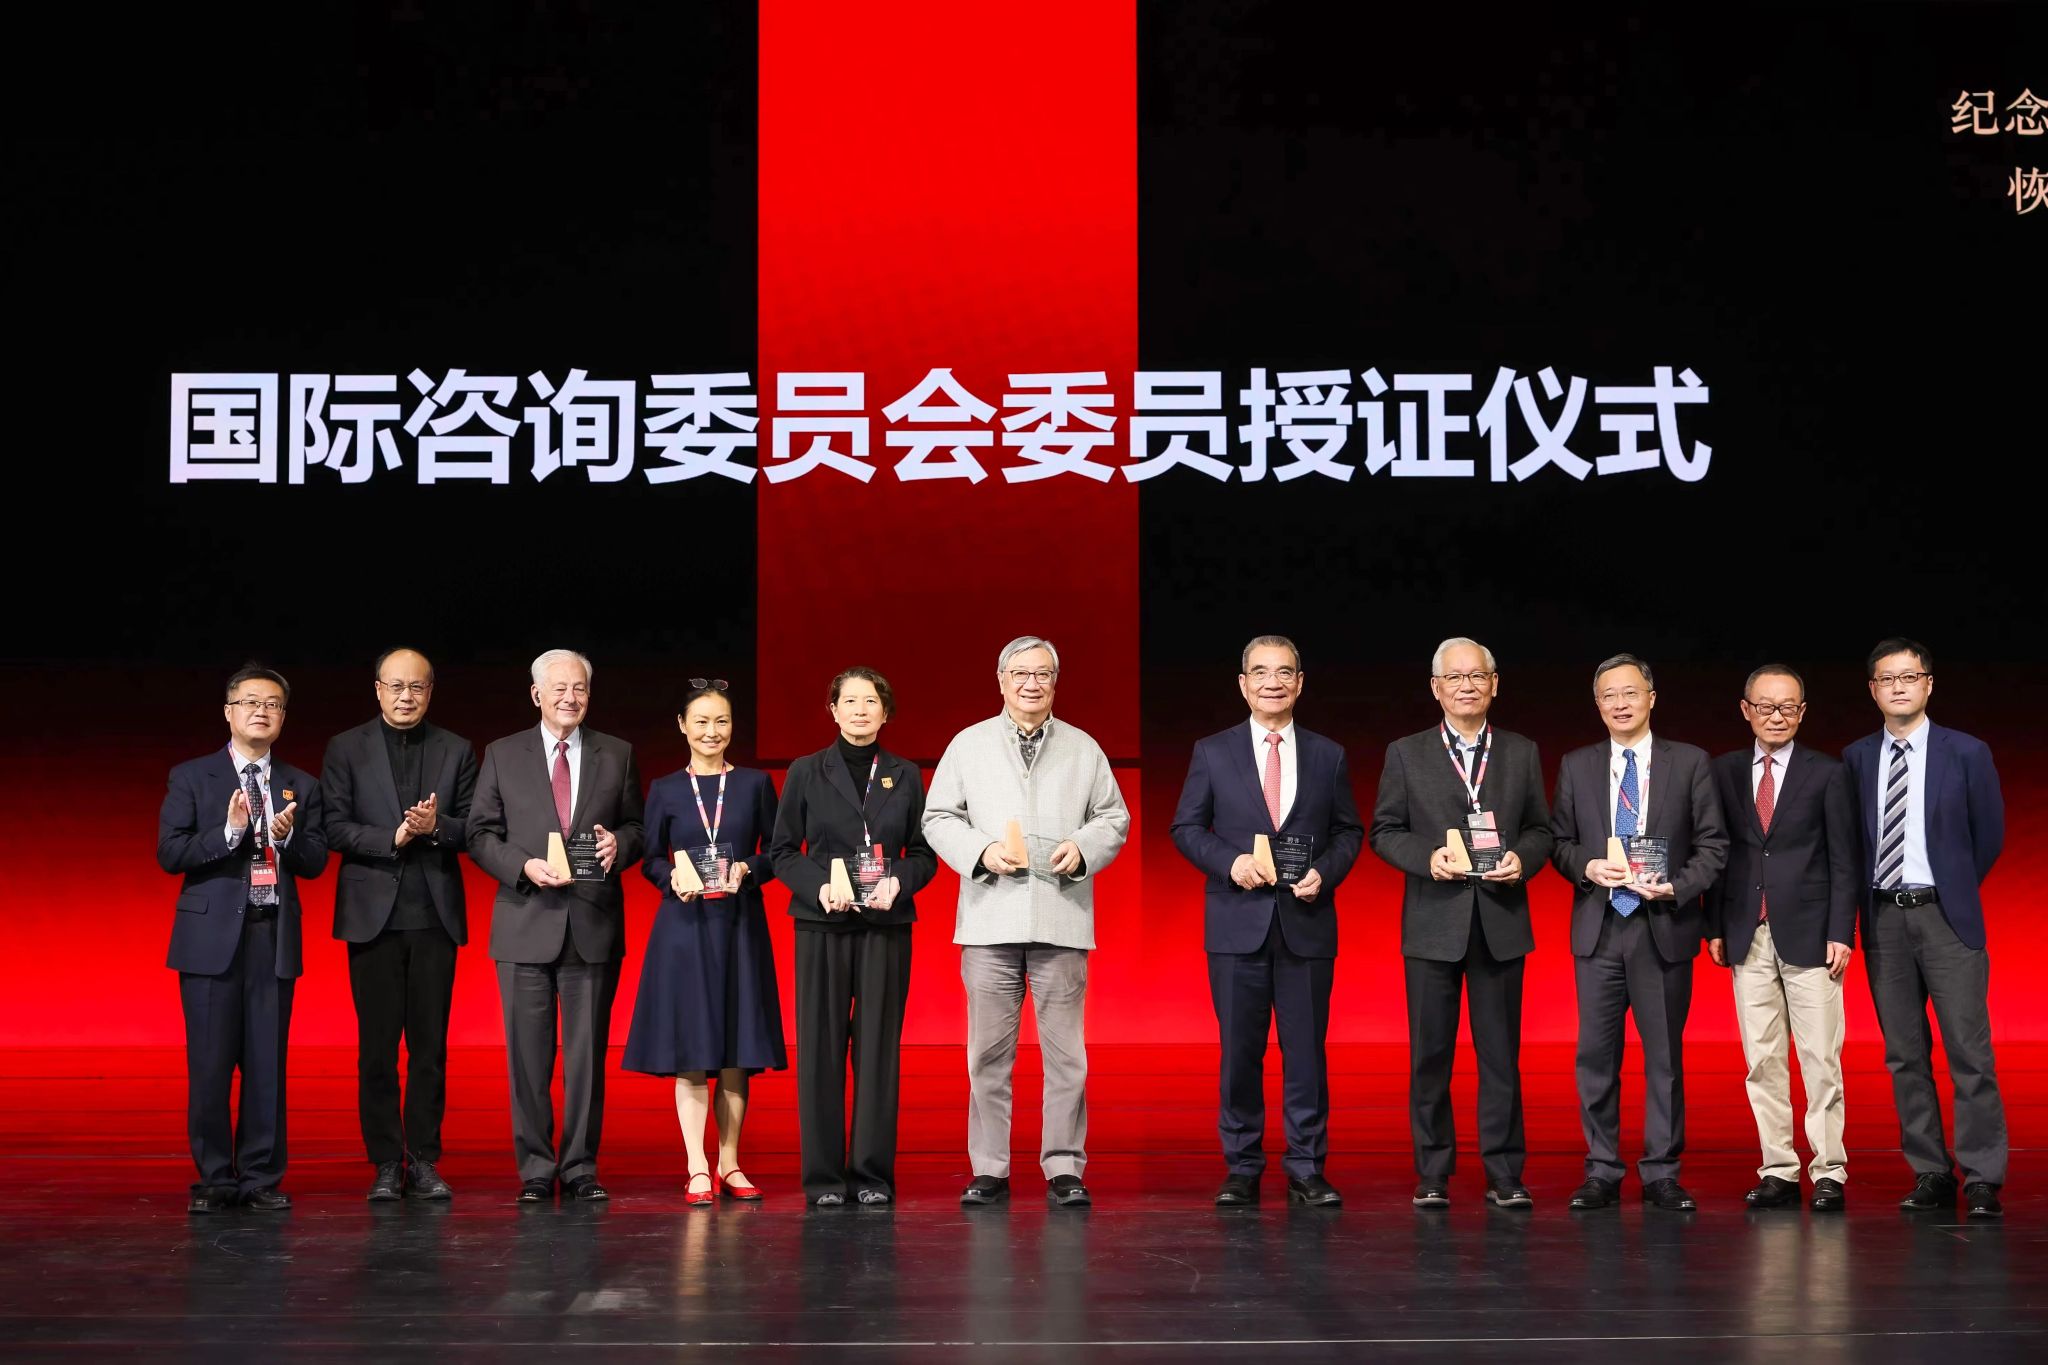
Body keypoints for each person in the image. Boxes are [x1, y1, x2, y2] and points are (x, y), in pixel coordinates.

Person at [926, 636, 1131, 1210]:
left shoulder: (1083, 747)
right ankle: (989, 1167)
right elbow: (938, 817)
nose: (1031, 683)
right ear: (1001, 680)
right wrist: (982, 851)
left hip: (1060, 918)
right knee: (987, 1056)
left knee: (1067, 1057)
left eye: (1042, 674)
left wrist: (1084, 847)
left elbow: (1113, 816)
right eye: (1020, 673)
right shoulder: (968, 744)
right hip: (990, 920)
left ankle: (1064, 1166)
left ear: (1055, 682)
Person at [1170, 635, 1362, 1208]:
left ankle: (1307, 1167)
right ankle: (1243, 1166)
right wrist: (1230, 863)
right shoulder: (1213, 751)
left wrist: (1325, 872)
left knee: (1306, 1055)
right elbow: (1186, 828)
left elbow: (1349, 831)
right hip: (1237, 924)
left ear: (1300, 683)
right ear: (1243, 684)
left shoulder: (1328, 754)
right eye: (1260, 672)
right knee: (1239, 1053)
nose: (1272, 682)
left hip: (1307, 923)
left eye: (1283, 672)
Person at [1368, 637, 1550, 1209]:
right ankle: (1433, 1172)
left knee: (1501, 1057)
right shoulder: (1406, 752)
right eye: (1455, 677)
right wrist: (1428, 858)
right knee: (1430, 1056)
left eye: (1477, 676)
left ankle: (1505, 1172)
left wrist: (1523, 858)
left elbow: (1542, 829)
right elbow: (1384, 831)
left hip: (1500, 920)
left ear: (1495, 685)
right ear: (1435, 687)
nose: (1466, 686)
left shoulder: (1521, 751)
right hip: (1433, 923)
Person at [1549, 653, 1727, 1212]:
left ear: (1652, 698)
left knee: (1664, 1059)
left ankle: (1661, 1172)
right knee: (1595, 1058)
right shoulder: (1577, 764)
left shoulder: (1690, 762)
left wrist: (1676, 887)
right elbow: (1558, 842)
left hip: (1662, 925)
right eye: (1609, 695)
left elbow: (1714, 845)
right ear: (1596, 704)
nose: (1620, 704)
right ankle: (1602, 1169)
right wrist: (1585, 865)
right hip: (1600, 926)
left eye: (1630, 693)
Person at [468, 648, 645, 1203]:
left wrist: (621, 845)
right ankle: (536, 1169)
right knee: (527, 1058)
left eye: (580, 689)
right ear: (536, 695)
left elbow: (637, 826)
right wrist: (522, 866)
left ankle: (581, 1166)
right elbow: (479, 833)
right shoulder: (503, 754)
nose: (570, 698)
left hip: (592, 924)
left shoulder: (617, 753)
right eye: (559, 688)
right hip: (525, 921)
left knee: (586, 1058)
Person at [1844, 637, 2007, 1219]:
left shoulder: (1967, 752)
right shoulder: (1857, 757)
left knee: (1969, 1051)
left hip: (1945, 916)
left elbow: (1989, 835)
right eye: (1887, 679)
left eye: (1909, 676)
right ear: (1873, 690)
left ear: (1929, 684)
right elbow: (1853, 841)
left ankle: (1982, 1175)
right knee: (1904, 1053)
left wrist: (1951, 887)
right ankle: (1931, 1170)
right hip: (1883, 918)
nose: (1899, 687)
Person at [157, 664, 328, 1214]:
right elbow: (170, 852)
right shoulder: (192, 776)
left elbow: (317, 861)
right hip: (210, 940)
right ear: (229, 712)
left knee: (266, 1064)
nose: (262, 711)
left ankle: (259, 1176)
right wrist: (231, 832)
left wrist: (288, 837)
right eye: (251, 702)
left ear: (283, 717)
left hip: (271, 936)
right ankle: (214, 1178)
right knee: (209, 1064)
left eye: (273, 704)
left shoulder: (301, 784)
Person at [769, 667, 937, 1207]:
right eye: (850, 701)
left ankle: (871, 1175)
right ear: (833, 710)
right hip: (822, 923)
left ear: (886, 712)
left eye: (871, 702)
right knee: (820, 1050)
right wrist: (820, 887)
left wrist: (899, 882)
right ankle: (823, 1179)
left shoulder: (905, 774)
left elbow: (923, 853)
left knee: (878, 1050)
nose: (860, 710)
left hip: (885, 923)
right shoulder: (805, 770)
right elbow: (781, 851)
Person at [320, 646, 476, 1202]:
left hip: (434, 917)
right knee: (378, 1048)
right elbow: (333, 826)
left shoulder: (457, 749)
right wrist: (393, 837)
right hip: (373, 920)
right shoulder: (346, 747)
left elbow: (475, 828)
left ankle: (424, 1159)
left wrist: (435, 828)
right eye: (396, 686)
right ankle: (386, 1161)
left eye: (417, 687)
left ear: (430, 691)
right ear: (378, 690)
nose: (406, 696)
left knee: (430, 1049)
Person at [623, 680, 787, 1205]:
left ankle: (730, 1163)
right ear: (682, 726)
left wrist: (748, 868)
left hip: (739, 925)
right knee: (692, 1047)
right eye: (701, 721)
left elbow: (778, 852)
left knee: (737, 1049)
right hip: (685, 927)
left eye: (721, 721)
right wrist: (670, 875)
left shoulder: (755, 784)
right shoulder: (666, 788)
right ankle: (697, 1165)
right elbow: (650, 857)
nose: (712, 731)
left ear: (732, 726)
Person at [1705, 664, 1857, 1211]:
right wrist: (1714, 925)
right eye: (1766, 706)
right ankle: (1778, 1170)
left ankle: (1829, 1170)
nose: (1776, 716)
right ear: (1745, 710)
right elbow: (1716, 852)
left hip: (1813, 934)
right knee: (1762, 1059)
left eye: (1787, 707)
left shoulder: (1827, 773)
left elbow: (1845, 858)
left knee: (1821, 1058)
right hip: (1747, 931)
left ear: (1802, 712)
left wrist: (1841, 930)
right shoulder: (1722, 771)